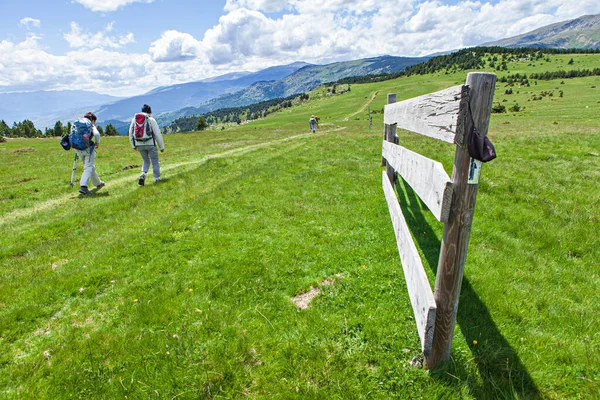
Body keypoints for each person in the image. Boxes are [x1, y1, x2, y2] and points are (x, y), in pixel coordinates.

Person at [129, 104, 164, 185]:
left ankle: (143, 174)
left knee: (146, 160)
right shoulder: (151, 119)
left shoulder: (134, 120)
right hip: (150, 143)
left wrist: (133, 145)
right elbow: (157, 134)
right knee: (154, 161)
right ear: (150, 112)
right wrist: (161, 146)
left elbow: (131, 133)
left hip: (139, 144)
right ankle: (157, 178)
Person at [75, 112, 104, 195]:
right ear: (93, 120)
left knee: (90, 166)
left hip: (77, 148)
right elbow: (97, 134)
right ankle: (83, 186)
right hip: (88, 149)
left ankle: (98, 183)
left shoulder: (78, 124)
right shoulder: (90, 124)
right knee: (88, 167)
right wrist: (97, 143)